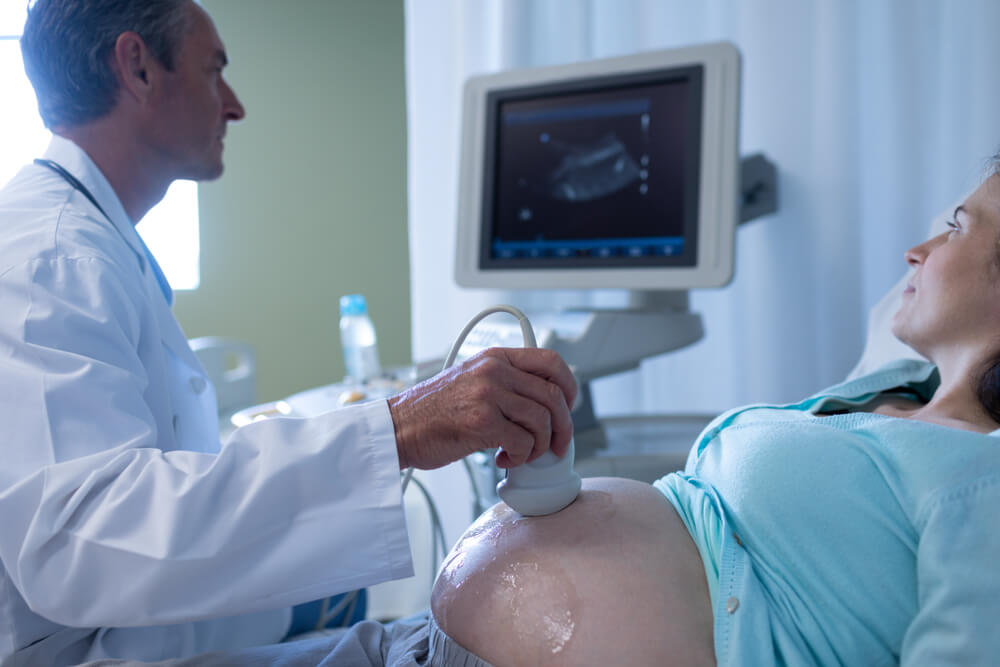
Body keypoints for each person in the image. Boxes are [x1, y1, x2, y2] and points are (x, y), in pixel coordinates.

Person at [0, 1, 576, 665]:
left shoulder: (88, 243)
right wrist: (402, 429)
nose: (234, 104)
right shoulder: (50, 256)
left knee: (413, 631)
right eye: (215, 71)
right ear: (137, 68)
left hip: (145, 633)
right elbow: (85, 544)